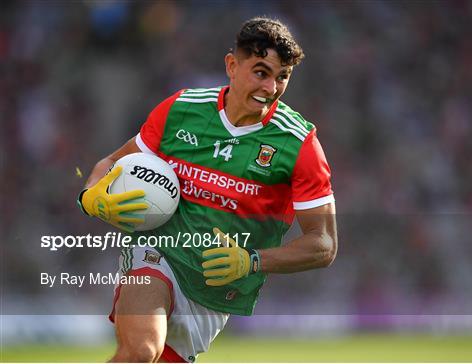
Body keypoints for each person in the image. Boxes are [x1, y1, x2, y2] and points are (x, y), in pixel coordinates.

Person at [78, 17, 337, 363]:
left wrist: (252, 261)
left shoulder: (299, 145)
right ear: (232, 65)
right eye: (261, 72)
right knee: (140, 353)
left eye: (282, 77)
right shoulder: (181, 110)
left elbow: (324, 244)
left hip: (215, 293)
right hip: (158, 254)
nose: (271, 87)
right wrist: (90, 196)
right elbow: (110, 164)